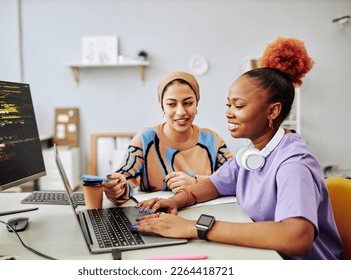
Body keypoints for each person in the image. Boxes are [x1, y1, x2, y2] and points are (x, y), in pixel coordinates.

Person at [133, 37, 343, 260]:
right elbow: (212, 186)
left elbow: (297, 238)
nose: (228, 112)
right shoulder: (252, 156)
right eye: (228, 104)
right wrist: (173, 202)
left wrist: (194, 227)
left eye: (239, 105)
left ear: (272, 112)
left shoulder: (294, 163)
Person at [103, 71, 233, 204]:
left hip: (201, 218)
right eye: (171, 104)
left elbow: (240, 180)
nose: (181, 112)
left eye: (188, 103)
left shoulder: (212, 140)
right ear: (162, 107)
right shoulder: (145, 139)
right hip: (154, 217)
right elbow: (124, 179)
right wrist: (117, 188)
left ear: (196, 104)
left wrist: (196, 182)